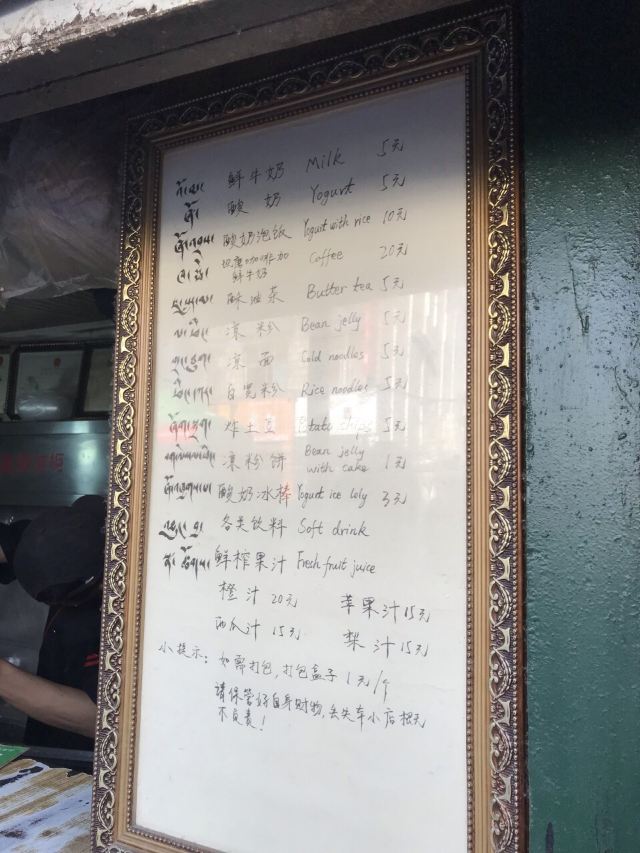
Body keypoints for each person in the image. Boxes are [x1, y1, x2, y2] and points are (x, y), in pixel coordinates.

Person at [0, 496, 105, 750]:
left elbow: (103, 718)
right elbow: (18, 543)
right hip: (40, 735)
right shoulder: (72, 529)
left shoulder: (136, 620)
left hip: (84, 758)